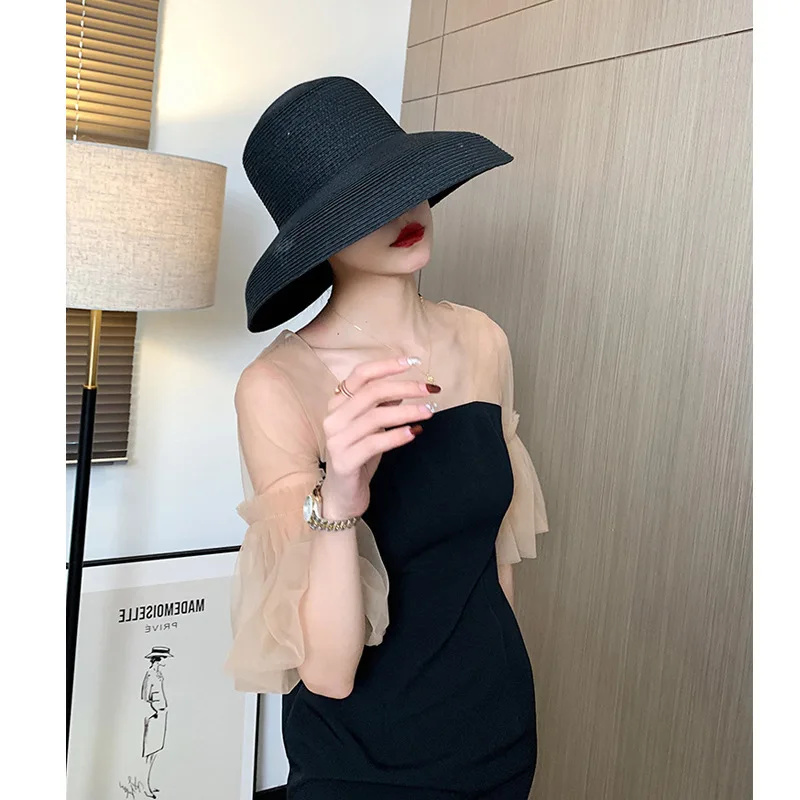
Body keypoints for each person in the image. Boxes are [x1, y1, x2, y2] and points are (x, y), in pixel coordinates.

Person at [225, 77, 549, 800]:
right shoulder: (277, 386)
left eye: (407, 183)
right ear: (315, 238)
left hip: (496, 728)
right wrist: (340, 495)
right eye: (363, 204)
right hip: (363, 756)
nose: (405, 211)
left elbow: (494, 561)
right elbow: (329, 674)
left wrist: (506, 688)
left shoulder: (482, 340)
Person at [141, 646, 172, 798]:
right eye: (165, 658)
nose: (167, 661)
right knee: (149, 752)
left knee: (155, 751)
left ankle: (148, 784)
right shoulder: (150, 674)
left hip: (161, 714)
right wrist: (155, 711)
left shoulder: (158, 674)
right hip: (155, 715)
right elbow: (145, 696)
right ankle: (145, 785)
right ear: (159, 659)